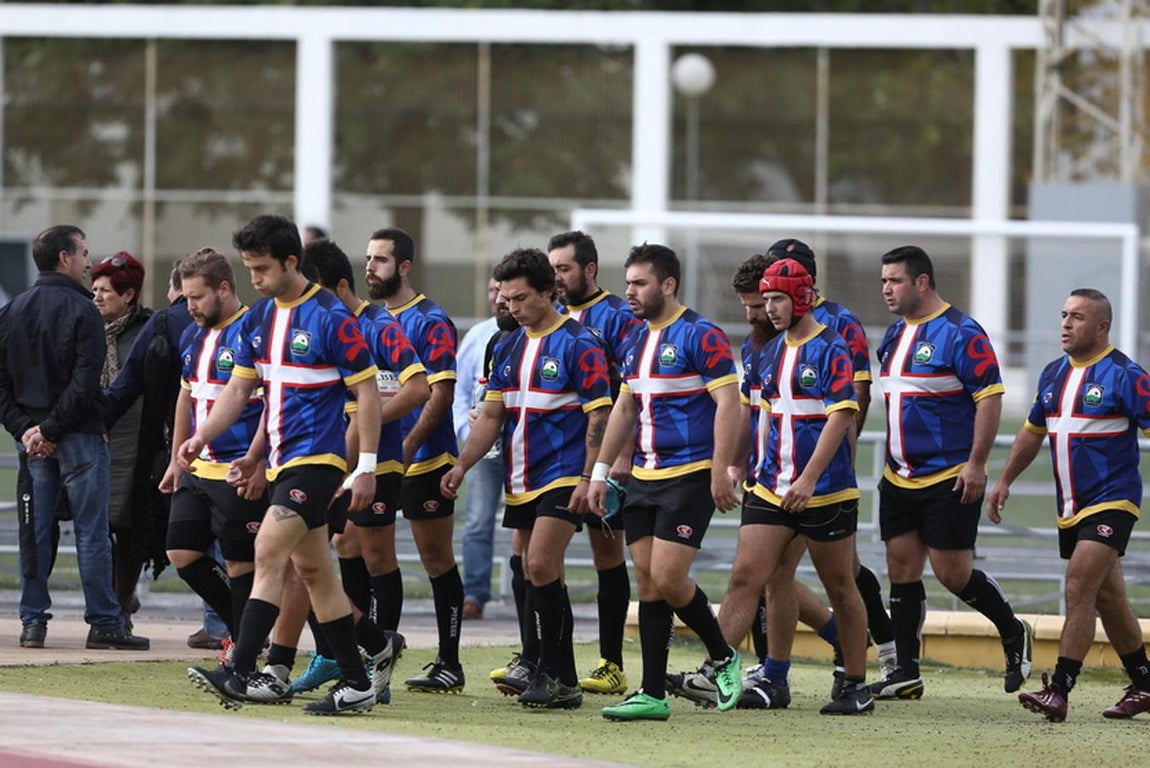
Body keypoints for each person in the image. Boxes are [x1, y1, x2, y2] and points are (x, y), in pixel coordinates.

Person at [184, 214, 398, 715]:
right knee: (316, 572)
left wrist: (365, 465)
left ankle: (239, 670)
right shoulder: (259, 319)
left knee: (266, 549)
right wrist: (201, 436)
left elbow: (366, 392)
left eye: (261, 268)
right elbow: (239, 391)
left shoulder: (330, 315)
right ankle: (358, 676)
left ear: (291, 262)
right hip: (281, 462)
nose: (254, 278)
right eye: (249, 268)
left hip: (320, 460)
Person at [442, 247, 612, 710]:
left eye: (519, 298)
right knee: (536, 569)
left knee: (539, 564)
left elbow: (601, 415)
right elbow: (492, 415)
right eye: (505, 297)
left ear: (548, 291)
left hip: (562, 474)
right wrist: (462, 464)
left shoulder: (580, 344)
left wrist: (588, 476)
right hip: (520, 476)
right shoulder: (508, 344)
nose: (510, 306)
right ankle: (555, 672)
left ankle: (555, 672)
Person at [587, 243, 743, 722]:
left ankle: (723, 656)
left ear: (668, 285)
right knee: (650, 584)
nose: (629, 291)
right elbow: (626, 408)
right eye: (628, 282)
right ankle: (652, 693)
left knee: (670, 576)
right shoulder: (634, 340)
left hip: (690, 476)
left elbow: (730, 403)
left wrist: (720, 469)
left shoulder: (702, 335)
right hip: (643, 478)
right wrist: (600, 470)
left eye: (639, 283)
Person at [870, 244, 1032, 700]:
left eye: (895, 280)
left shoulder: (962, 333)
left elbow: (989, 396)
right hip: (899, 474)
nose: (886, 288)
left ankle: (1012, 629)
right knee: (900, 568)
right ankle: (905, 671)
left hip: (951, 475)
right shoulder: (893, 335)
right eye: (883, 280)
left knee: (952, 573)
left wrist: (978, 463)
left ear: (922, 282)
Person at [988, 288, 1150, 722]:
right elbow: (1031, 434)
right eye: (1063, 314)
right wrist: (1003, 481)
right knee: (1109, 599)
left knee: (1078, 586)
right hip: (1070, 506)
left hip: (1113, 501)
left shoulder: (1126, 376)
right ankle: (1145, 683)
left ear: (1102, 327)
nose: (1065, 323)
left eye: (1077, 317)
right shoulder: (1053, 374)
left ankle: (1058, 690)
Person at [724, 258, 872, 715]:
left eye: (778, 299)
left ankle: (855, 682)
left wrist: (808, 479)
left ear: (802, 299)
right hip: (770, 487)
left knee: (840, 586)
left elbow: (841, 417)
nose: (769, 309)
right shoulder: (766, 352)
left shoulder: (832, 348)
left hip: (825, 490)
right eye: (765, 299)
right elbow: (758, 417)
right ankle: (718, 668)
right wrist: (737, 466)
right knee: (749, 576)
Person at [288, 237, 428, 704]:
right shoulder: (323, 325)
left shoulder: (378, 326)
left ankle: (379, 655)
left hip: (377, 461)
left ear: (337, 288)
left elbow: (419, 389)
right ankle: (354, 652)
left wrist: (364, 418)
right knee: (330, 553)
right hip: (332, 461)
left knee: (376, 556)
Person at [0, 225, 148, 650]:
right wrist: (49, 430)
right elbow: (85, 384)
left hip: (32, 441)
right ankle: (104, 622)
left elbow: (2, 384)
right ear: (65, 258)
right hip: (79, 436)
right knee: (91, 532)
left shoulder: (14, 310)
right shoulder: (84, 311)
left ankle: (33, 622)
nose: (87, 260)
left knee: (36, 530)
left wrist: (29, 431)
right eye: (83, 252)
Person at [762, 238, 897, 679]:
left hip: (822, 474)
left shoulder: (839, 327)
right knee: (774, 572)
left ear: (806, 282)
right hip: (777, 473)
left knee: (838, 573)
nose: (770, 300)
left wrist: (838, 458)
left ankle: (878, 653)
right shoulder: (770, 330)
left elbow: (855, 394)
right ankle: (783, 666)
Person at [365, 227, 466, 693]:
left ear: (404, 267)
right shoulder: (366, 320)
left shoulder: (430, 320)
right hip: (378, 459)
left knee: (436, 559)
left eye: (381, 260)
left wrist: (407, 448)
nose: (370, 267)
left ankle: (449, 662)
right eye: (368, 259)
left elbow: (440, 392)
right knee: (369, 556)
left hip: (423, 460)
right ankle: (375, 654)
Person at [158, 247, 265, 671]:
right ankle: (246, 635)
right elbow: (186, 395)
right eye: (185, 298)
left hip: (239, 468)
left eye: (197, 297)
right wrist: (175, 460)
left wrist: (258, 460)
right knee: (181, 552)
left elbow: (270, 400)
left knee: (242, 564)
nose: (190, 307)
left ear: (224, 288)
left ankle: (246, 651)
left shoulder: (254, 330)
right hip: (198, 469)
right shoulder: (193, 334)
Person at [547, 230, 640, 696]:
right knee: (543, 560)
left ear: (589, 270)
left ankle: (611, 662)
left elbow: (631, 388)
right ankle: (547, 659)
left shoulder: (619, 316)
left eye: (564, 268)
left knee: (608, 555)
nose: (557, 277)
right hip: (557, 459)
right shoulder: (553, 314)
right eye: (553, 269)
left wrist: (620, 452)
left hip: (604, 458)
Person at [104, 257, 195, 634]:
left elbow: (123, 388)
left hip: (158, 449)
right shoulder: (243, 323)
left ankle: (117, 605)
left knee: (171, 541)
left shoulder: (160, 324)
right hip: (214, 450)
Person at [91, 252, 153, 621]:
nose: (96, 297)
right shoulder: (85, 327)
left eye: (106, 290)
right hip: (94, 434)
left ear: (128, 295)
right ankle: (106, 605)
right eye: (94, 289)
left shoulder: (149, 329)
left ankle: (122, 600)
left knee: (128, 524)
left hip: (135, 439)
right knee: (95, 525)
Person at [453, 278, 506, 621]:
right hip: (483, 445)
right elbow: (459, 392)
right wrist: (465, 432)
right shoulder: (477, 336)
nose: (496, 297)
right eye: (491, 290)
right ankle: (473, 594)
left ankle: (534, 589)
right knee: (477, 519)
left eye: (502, 290)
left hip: (524, 443)